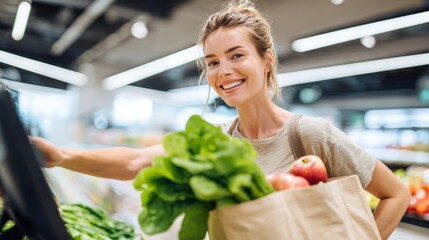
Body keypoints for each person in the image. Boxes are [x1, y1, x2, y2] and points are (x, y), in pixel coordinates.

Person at [32, 1, 409, 239]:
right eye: (212, 62)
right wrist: (62, 157)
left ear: (266, 60)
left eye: (236, 55)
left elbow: (396, 194)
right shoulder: (217, 145)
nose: (223, 70)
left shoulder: (308, 134)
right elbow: (134, 162)